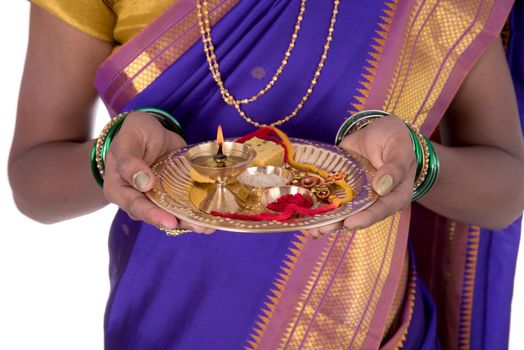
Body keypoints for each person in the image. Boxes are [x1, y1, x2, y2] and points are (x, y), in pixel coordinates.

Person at [8, 0, 524, 348]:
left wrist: (421, 161)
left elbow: (506, 189)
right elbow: (35, 177)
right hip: (172, 319)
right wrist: (108, 160)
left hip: (369, 324)